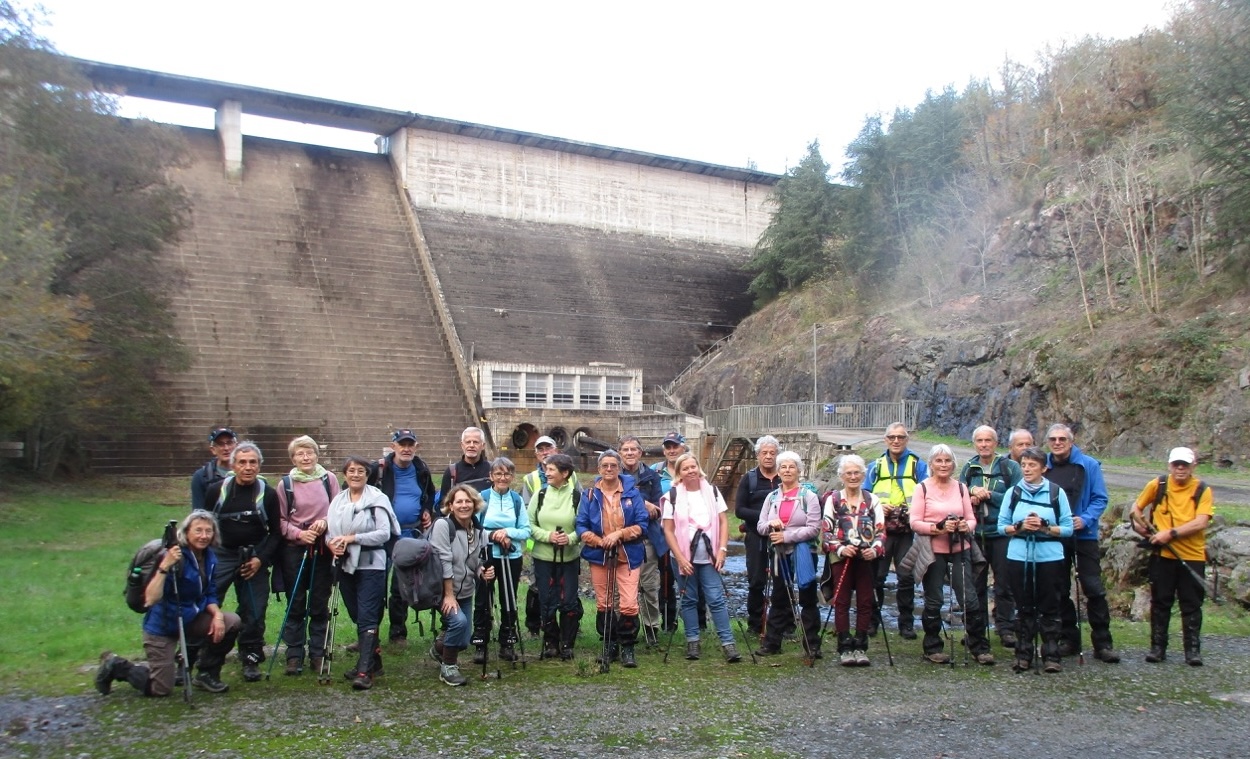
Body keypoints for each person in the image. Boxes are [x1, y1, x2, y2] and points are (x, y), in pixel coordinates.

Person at [97, 510, 242, 696]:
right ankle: (116, 665)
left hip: (190, 619)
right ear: (186, 532)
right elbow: (151, 598)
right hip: (162, 626)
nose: (204, 536)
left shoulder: (209, 557)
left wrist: (217, 615)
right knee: (161, 689)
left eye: (208, 531)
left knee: (232, 622)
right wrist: (165, 566)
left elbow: (210, 592)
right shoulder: (173, 557)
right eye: (198, 530)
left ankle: (206, 673)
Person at [202, 441, 281, 682]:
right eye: (242, 462)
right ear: (233, 465)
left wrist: (260, 559)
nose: (248, 467)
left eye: (253, 462)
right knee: (207, 602)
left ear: (259, 466)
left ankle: (250, 656)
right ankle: (197, 652)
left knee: (254, 610)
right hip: (221, 554)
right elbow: (202, 525)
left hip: (253, 555)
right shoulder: (216, 491)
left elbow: (276, 533)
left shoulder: (268, 494)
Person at [910, 444, 994, 665]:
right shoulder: (922, 489)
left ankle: (979, 646)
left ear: (954, 464)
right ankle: (932, 647)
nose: (943, 465)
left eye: (947, 461)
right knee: (934, 599)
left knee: (969, 598)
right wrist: (937, 528)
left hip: (960, 549)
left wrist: (966, 526)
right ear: (931, 464)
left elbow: (971, 518)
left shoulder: (961, 488)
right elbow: (915, 522)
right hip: (933, 551)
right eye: (939, 461)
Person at [1130, 447, 1215, 666]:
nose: (1180, 468)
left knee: (1191, 604)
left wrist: (1171, 533)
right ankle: (1157, 648)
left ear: (1193, 466)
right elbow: (1136, 509)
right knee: (1160, 602)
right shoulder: (1157, 485)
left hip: (1192, 555)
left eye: (1184, 465)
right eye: (1176, 464)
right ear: (1170, 465)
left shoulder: (1202, 489)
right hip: (1163, 556)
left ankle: (1192, 650)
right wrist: (1141, 528)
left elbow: (1201, 522)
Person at [1044, 423, 1119, 663]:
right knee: (1059, 588)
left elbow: (1100, 498)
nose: (1057, 443)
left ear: (1071, 441)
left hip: (1083, 535)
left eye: (1062, 439)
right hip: (1055, 536)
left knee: (1093, 587)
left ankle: (1103, 643)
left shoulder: (1089, 465)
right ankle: (1069, 638)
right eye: (1053, 439)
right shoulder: (1043, 466)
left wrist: (1084, 519)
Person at [326, 456, 400, 690]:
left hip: (372, 564)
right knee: (357, 613)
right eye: (351, 470)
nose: (356, 475)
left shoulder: (378, 499)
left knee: (368, 615)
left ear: (368, 475)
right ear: (345, 474)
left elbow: (384, 533)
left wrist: (352, 538)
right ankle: (374, 661)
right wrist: (333, 545)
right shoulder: (337, 501)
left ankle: (364, 671)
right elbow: (330, 532)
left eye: (360, 471)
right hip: (345, 564)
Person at [999, 446, 1073, 673]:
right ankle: (1023, 654)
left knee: (1050, 605)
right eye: (1024, 465)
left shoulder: (1056, 493)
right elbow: (1001, 527)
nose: (1027, 469)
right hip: (1019, 556)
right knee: (1023, 606)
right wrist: (1020, 527)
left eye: (1032, 465)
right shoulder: (1013, 493)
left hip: (1049, 557)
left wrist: (1045, 527)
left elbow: (1068, 528)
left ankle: (1051, 654)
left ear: (1044, 468)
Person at [662, 453, 741, 663]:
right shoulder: (672, 496)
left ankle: (728, 643)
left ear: (698, 468)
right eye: (685, 468)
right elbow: (668, 530)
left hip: (709, 556)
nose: (690, 471)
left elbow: (723, 521)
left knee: (716, 598)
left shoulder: (712, 491)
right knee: (688, 598)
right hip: (682, 557)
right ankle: (693, 641)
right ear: (679, 473)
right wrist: (680, 558)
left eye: (693, 467)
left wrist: (722, 549)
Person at [578, 449, 649, 668]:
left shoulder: (632, 494)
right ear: (599, 469)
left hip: (628, 554)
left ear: (619, 468)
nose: (609, 469)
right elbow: (581, 525)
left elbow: (642, 524)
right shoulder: (589, 495)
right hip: (599, 554)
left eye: (613, 465)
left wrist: (619, 534)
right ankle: (609, 644)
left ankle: (627, 646)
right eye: (605, 465)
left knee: (628, 602)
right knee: (604, 602)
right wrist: (600, 541)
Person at [275, 435, 339, 676]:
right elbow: (280, 520)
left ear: (316, 455)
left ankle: (318, 652)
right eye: (300, 454)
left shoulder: (329, 479)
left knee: (319, 602)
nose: (305, 457)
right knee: (296, 601)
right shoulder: (285, 484)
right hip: (295, 549)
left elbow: (338, 509)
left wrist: (325, 522)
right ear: (293, 458)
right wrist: (299, 534)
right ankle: (294, 654)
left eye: (309, 452)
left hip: (322, 548)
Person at [370, 428, 435, 647]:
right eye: (402, 444)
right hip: (382, 536)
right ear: (393, 446)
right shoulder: (378, 469)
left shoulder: (421, 469)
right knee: (375, 586)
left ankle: (398, 633)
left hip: (409, 534)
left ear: (416, 447)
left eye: (410, 445)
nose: (406, 449)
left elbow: (430, 495)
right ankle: (369, 634)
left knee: (401, 587)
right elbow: (355, 490)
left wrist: (427, 510)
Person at [959, 425, 1023, 648]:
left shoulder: (1010, 467)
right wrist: (971, 493)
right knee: (975, 584)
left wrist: (990, 496)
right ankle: (976, 630)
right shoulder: (969, 468)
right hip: (976, 534)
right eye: (980, 441)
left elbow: (1018, 496)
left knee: (1004, 583)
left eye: (988, 440)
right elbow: (958, 495)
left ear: (996, 443)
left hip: (1002, 533)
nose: (984, 444)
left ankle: (1006, 628)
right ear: (974, 444)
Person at [754, 450, 822, 659]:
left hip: (804, 552)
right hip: (779, 553)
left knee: (808, 596)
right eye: (783, 467)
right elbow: (760, 526)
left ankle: (812, 645)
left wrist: (787, 536)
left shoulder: (808, 496)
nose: (787, 470)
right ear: (778, 471)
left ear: (799, 470)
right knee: (779, 596)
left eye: (791, 466)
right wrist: (771, 525)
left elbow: (814, 528)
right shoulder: (772, 497)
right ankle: (772, 643)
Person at [864, 423, 928, 639]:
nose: (896, 441)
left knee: (906, 576)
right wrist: (877, 506)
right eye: (892, 437)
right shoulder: (875, 466)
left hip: (907, 530)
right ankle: (872, 622)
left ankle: (906, 624)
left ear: (907, 440)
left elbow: (927, 492)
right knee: (877, 577)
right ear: (885, 440)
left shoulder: (918, 465)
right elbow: (864, 496)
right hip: (881, 530)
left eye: (900, 437)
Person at [820, 454, 884, 667]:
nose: (853, 476)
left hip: (866, 558)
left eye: (857, 473)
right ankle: (845, 646)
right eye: (849, 473)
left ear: (863, 475)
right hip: (841, 557)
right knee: (842, 601)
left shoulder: (872, 500)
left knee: (866, 601)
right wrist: (840, 548)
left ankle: (861, 645)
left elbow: (881, 532)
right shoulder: (833, 500)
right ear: (842, 476)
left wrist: (874, 550)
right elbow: (826, 531)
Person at [428, 484, 495, 687]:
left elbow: (475, 563)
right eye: (459, 501)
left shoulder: (478, 530)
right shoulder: (443, 526)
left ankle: (438, 649)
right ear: (450, 505)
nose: (464, 505)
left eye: (468, 501)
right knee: (458, 623)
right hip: (442, 590)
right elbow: (444, 561)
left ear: (475, 505)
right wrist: (448, 595)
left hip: (465, 591)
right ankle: (448, 668)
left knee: (463, 641)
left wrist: (483, 571)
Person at [471, 456, 531, 664]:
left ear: (512, 476)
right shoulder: (482, 497)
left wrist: (507, 532)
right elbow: (474, 529)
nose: (502, 478)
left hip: (511, 556)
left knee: (509, 598)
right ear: (491, 476)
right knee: (483, 598)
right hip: (487, 555)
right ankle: (481, 642)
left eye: (507, 474)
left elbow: (526, 530)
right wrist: (493, 535)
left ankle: (507, 642)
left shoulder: (516, 500)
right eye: (498, 473)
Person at [528, 453, 583, 660]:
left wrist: (569, 539)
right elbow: (529, 524)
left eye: (551, 469)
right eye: (546, 469)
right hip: (543, 558)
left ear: (565, 473)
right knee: (546, 600)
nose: (547, 473)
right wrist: (548, 536)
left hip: (569, 559)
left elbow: (584, 525)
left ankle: (567, 644)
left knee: (568, 601)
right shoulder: (540, 495)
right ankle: (551, 642)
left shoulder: (577, 497)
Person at [619, 435, 665, 646]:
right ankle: (626, 627)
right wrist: (642, 503)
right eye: (625, 449)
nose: (629, 453)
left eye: (633, 449)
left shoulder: (652, 477)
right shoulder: (613, 474)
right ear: (620, 453)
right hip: (621, 539)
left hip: (646, 539)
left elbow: (658, 510)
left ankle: (651, 627)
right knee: (623, 588)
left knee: (649, 586)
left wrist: (638, 505)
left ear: (640, 452)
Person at [735, 435, 781, 637]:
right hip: (755, 536)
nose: (768, 456)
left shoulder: (784, 477)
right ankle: (755, 623)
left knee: (782, 581)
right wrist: (765, 519)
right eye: (765, 453)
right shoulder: (749, 479)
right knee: (756, 581)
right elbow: (739, 510)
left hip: (781, 536)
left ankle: (782, 623)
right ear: (758, 456)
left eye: (772, 453)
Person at [651, 431, 688, 632]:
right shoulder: (655, 471)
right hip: (663, 533)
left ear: (683, 447)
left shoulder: (691, 468)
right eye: (668, 447)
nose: (672, 450)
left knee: (692, 576)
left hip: (689, 533)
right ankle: (668, 622)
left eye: (675, 446)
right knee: (666, 578)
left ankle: (699, 622)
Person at [438, 426, 493, 504]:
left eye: (475, 442)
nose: (471, 445)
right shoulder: (452, 472)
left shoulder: (492, 469)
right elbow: (443, 502)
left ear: (483, 445)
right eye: (468, 442)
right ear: (462, 445)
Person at [191, 427, 236, 511]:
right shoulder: (201, 476)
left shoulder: (246, 473)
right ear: (213, 450)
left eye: (229, 443)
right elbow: (198, 512)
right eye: (220, 444)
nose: (226, 448)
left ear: (236, 445)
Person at [520, 435, 558, 502]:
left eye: (548, 448)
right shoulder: (530, 479)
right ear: (536, 455)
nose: (545, 453)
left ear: (556, 451)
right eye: (540, 450)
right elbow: (527, 505)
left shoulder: (570, 475)